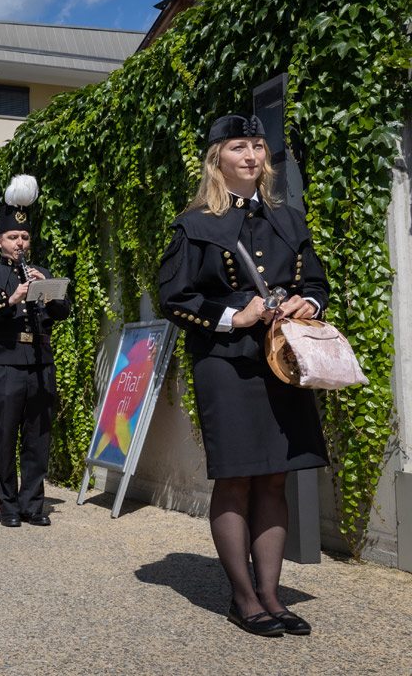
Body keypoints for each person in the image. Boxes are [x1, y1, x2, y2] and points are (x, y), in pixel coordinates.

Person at [158, 113, 328, 637]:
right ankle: (243, 598)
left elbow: (318, 281)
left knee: (275, 477)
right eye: (239, 147)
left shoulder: (289, 218)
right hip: (225, 364)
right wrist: (235, 316)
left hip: (283, 361)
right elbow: (174, 297)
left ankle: (272, 596)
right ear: (218, 160)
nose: (252, 156)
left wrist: (308, 304)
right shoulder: (193, 225)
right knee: (236, 477)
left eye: (258, 147)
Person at [0, 174, 70, 529]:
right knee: (5, 436)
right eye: (13, 237)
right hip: (4, 363)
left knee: (37, 437)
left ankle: (33, 504)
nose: (20, 243)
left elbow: (61, 313)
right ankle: (8, 505)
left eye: (25, 237)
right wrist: (12, 300)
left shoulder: (40, 272)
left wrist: (53, 294)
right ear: (0, 241)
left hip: (40, 363)